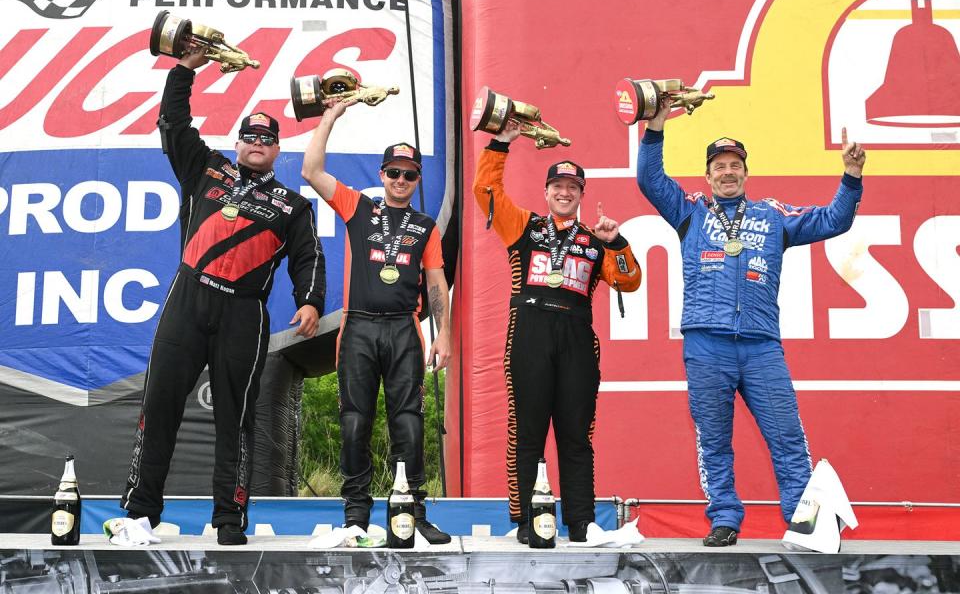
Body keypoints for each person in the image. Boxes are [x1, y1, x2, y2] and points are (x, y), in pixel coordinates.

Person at [119, 47, 325, 546]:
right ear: (238, 143)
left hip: (243, 312)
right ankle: (140, 512)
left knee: (236, 417)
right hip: (188, 298)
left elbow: (308, 256)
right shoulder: (204, 168)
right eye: (250, 136)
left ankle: (229, 520)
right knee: (160, 402)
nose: (257, 143)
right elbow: (172, 122)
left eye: (267, 139)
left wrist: (311, 299)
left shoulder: (293, 206)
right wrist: (186, 70)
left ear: (277, 151)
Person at [636, 103, 866, 546]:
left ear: (746, 173)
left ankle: (804, 522)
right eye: (719, 166)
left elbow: (834, 220)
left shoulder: (772, 215)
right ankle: (724, 517)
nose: (727, 172)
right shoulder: (690, 211)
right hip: (706, 344)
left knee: (788, 438)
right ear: (707, 176)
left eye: (735, 166)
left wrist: (851, 176)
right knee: (714, 441)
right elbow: (650, 180)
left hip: (761, 346)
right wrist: (656, 125)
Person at [473, 119, 642, 543]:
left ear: (582, 195)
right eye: (558, 186)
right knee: (526, 430)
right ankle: (527, 522)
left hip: (576, 336)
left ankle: (582, 524)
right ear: (547, 192)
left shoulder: (594, 237)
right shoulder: (523, 225)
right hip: (529, 330)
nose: (565, 193)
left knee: (576, 434)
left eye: (573, 187)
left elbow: (629, 280)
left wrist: (617, 243)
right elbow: (485, 192)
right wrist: (501, 142)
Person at [300, 99, 452, 544]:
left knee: (408, 421)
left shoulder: (425, 225)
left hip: (405, 327)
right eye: (394, 172)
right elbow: (311, 170)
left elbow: (437, 283)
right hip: (360, 328)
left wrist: (444, 335)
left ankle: (413, 513)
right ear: (382, 174)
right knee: (354, 421)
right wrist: (329, 118)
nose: (401, 180)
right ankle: (356, 516)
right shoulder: (358, 208)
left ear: (417, 179)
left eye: (409, 174)